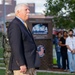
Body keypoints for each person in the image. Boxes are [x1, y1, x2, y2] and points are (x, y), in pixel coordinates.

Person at [7, 3, 40, 75]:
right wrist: (21, 64)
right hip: (22, 67)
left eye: (28, 9)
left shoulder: (23, 24)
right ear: (18, 12)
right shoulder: (15, 25)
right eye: (26, 10)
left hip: (30, 65)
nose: (28, 11)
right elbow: (16, 46)